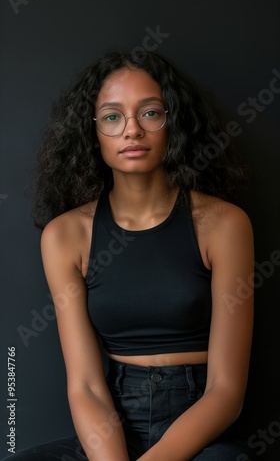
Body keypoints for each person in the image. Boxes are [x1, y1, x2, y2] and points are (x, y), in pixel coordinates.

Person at [3, 50, 257, 460]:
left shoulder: (224, 225)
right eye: (112, 116)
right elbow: (85, 386)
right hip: (110, 434)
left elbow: (226, 392)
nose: (132, 131)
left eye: (150, 113)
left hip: (199, 434)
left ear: (172, 122)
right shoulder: (65, 235)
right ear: (94, 132)